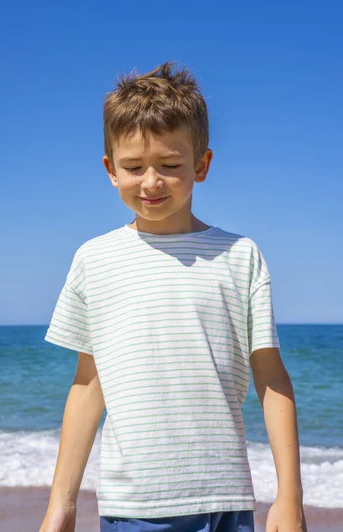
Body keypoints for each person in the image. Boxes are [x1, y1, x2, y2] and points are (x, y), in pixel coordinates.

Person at [39, 62, 307, 532]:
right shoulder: (95, 259)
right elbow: (87, 385)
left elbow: (271, 378)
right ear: (110, 169)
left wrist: (290, 497)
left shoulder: (240, 256)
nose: (151, 182)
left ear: (201, 165)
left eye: (170, 165)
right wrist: (60, 506)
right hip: (134, 506)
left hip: (226, 502)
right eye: (134, 167)